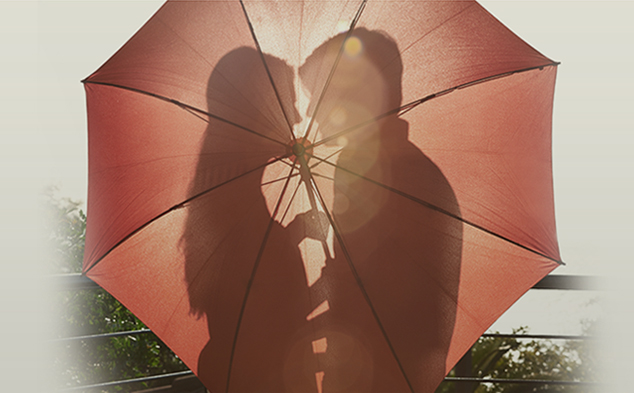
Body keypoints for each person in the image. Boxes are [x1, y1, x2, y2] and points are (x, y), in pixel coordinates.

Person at [299, 28, 464, 392]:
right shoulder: (397, 166)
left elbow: (377, 295)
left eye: (319, 95)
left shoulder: (376, 170)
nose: (310, 111)